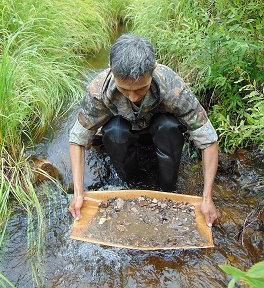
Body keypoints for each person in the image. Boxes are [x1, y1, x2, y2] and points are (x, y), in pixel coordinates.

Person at [68, 33, 219, 227]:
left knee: (168, 126)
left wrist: (207, 198)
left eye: (140, 90)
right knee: (115, 131)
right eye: (124, 90)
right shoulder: (98, 90)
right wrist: (79, 194)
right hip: (123, 133)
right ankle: (131, 185)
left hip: (159, 131)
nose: (132, 97)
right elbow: (78, 139)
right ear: (112, 71)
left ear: (153, 71)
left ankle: (167, 189)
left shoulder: (172, 86)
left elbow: (208, 139)